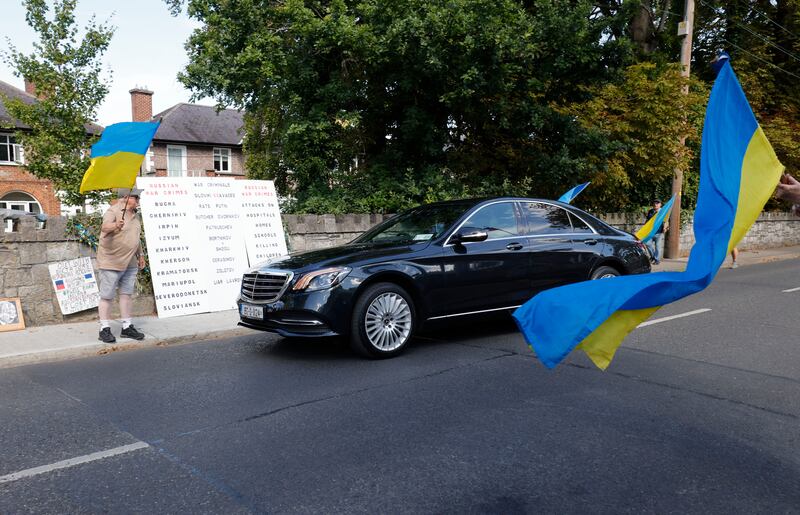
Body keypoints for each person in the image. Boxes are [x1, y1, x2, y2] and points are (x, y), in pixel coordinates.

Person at [96, 187, 146, 343]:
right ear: (126, 197)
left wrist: (141, 255)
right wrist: (116, 225)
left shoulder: (135, 217)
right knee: (107, 296)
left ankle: (127, 327)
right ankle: (104, 329)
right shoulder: (113, 211)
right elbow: (104, 227)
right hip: (111, 261)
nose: (138, 201)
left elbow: (135, 238)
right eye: (136, 197)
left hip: (129, 261)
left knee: (126, 294)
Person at [645, 199, 668, 265]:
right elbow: (647, 221)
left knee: (658, 246)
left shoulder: (663, 212)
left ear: (660, 204)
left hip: (659, 232)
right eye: (654, 203)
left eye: (657, 203)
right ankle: (653, 257)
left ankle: (657, 259)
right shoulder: (650, 211)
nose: (655, 204)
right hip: (650, 232)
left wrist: (665, 227)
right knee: (647, 244)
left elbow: (666, 221)